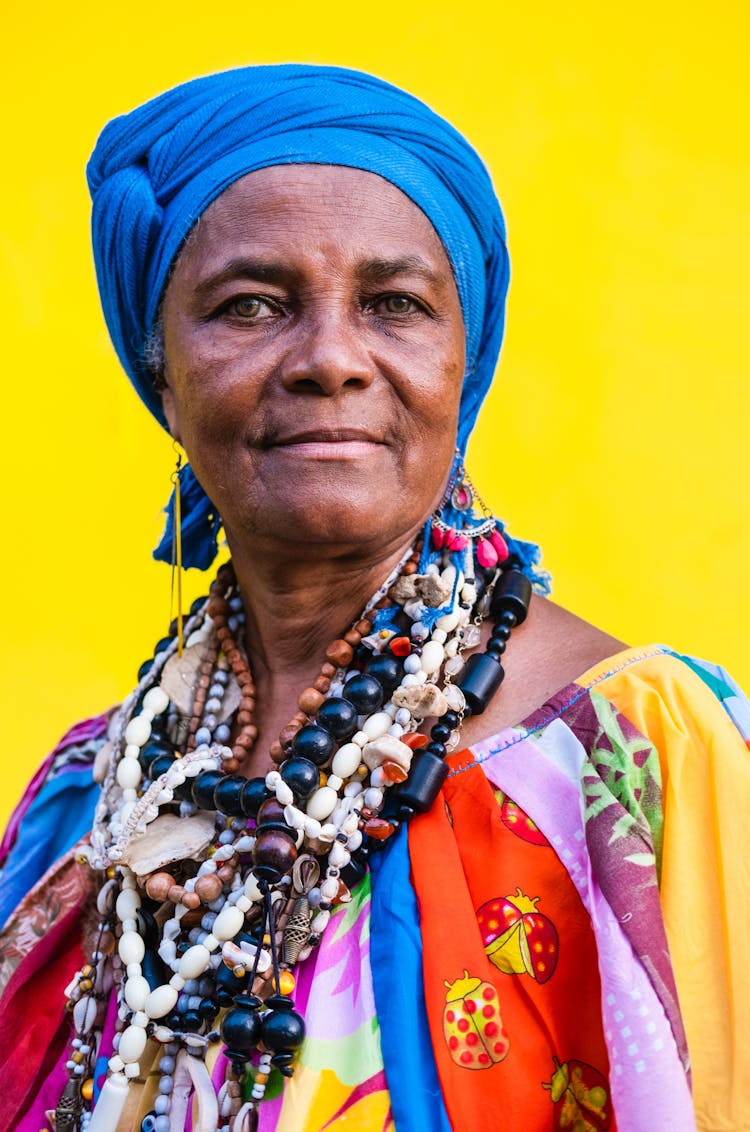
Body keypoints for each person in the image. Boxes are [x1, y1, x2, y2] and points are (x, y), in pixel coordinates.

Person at [0, 63, 747, 1132]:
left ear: (464, 356)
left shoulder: (636, 768)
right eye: (250, 305)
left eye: (394, 304)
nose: (332, 359)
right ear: (160, 372)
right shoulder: (90, 805)